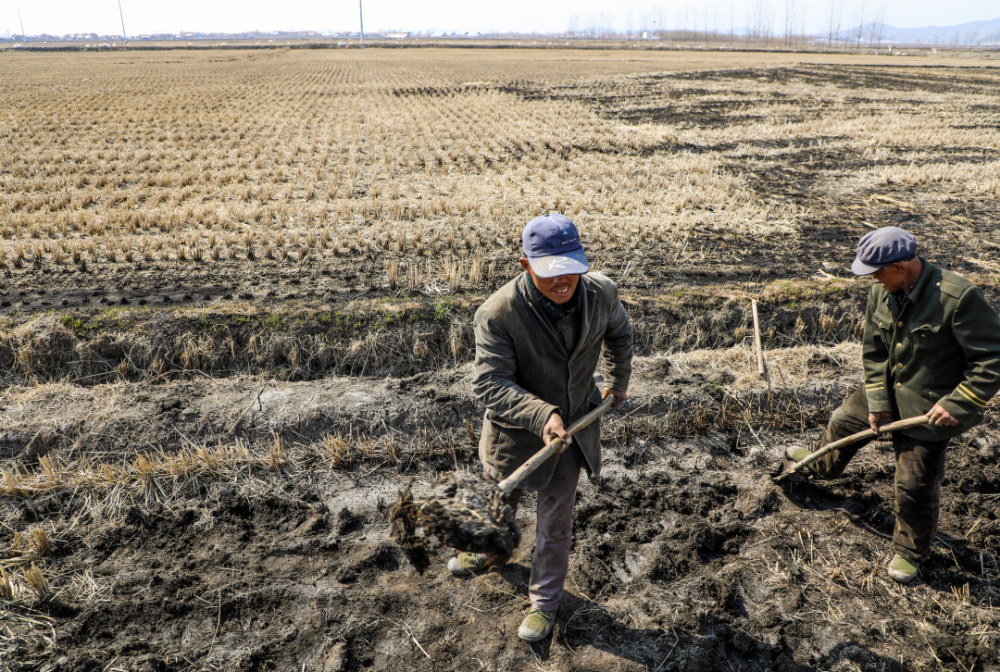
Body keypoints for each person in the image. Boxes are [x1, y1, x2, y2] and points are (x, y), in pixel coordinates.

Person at [449, 213, 633, 642]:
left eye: (570, 268)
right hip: (514, 434)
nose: (563, 281)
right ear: (525, 265)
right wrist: (540, 415)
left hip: (572, 430)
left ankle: (544, 604)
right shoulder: (498, 314)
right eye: (551, 272)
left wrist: (617, 380)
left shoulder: (602, 293)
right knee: (498, 503)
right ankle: (486, 552)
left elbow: (620, 334)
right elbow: (489, 383)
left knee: (556, 525)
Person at [787, 227, 1000, 583]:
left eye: (876, 272)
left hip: (930, 407)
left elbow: (992, 358)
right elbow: (873, 349)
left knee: (913, 485)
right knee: (843, 422)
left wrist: (959, 404)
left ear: (899, 268)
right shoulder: (881, 291)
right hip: (887, 389)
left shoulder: (958, 297)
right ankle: (820, 467)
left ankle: (910, 552)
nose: (872, 279)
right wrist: (878, 402)